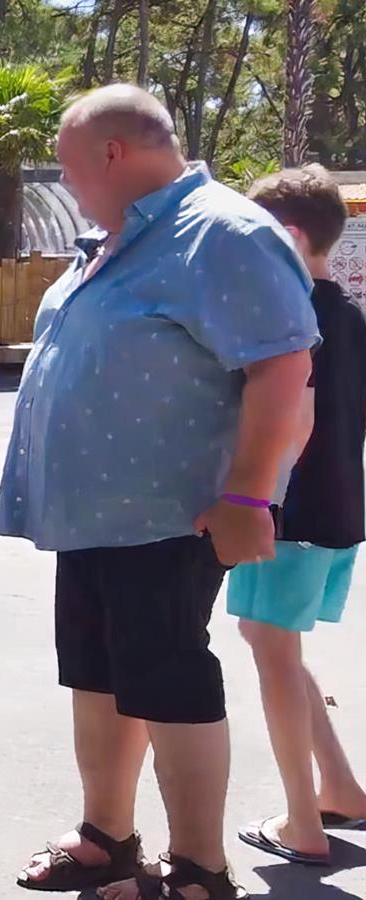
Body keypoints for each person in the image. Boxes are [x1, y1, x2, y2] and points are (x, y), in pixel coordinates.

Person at [0, 85, 318, 900]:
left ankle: (199, 870)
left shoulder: (223, 231)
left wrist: (249, 496)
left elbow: (284, 368)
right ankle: (108, 836)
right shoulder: (118, 239)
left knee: (168, 679)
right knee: (101, 677)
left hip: (170, 515)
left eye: (68, 165)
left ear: (113, 152)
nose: (64, 182)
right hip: (98, 514)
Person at [231, 165, 366, 866]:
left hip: (292, 515)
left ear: (283, 235)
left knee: (272, 651)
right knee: (275, 643)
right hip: (341, 514)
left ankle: (301, 822)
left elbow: (290, 425)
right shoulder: (351, 314)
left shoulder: (288, 317)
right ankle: (339, 786)